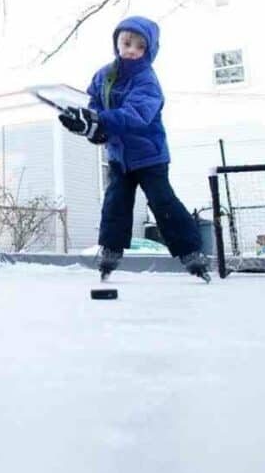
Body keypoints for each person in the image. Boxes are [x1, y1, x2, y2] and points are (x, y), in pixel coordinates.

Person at [58, 15, 210, 282]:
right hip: (119, 157)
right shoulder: (104, 75)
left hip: (150, 156)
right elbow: (95, 105)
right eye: (127, 42)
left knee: (163, 201)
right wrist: (89, 125)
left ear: (148, 51)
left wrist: (99, 121)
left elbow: (135, 114)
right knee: (115, 202)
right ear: (117, 42)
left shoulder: (147, 81)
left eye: (139, 46)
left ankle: (192, 253)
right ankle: (110, 251)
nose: (131, 50)